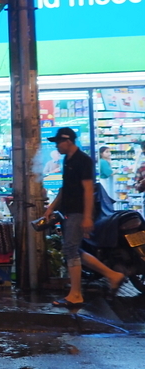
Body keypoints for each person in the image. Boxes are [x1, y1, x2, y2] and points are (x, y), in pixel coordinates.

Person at [43, 128, 124, 308]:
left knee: (71, 250)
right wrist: (52, 207)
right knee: (73, 250)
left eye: (58, 142)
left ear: (68, 141)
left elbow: (88, 190)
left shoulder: (83, 161)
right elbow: (64, 189)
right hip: (69, 211)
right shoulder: (67, 160)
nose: (57, 146)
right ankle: (113, 275)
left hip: (78, 212)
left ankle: (76, 294)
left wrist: (87, 217)